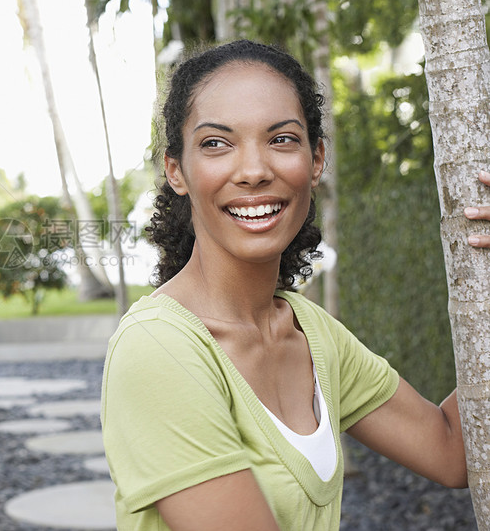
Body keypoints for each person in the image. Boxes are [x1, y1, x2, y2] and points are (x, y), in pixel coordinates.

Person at [100, 39, 486, 530]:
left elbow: (455, 449)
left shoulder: (309, 333)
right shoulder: (157, 350)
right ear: (176, 171)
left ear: (317, 157)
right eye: (216, 143)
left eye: (281, 139)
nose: (255, 170)